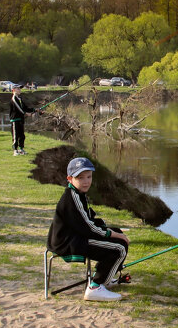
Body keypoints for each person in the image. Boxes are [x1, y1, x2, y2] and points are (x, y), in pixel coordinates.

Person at [47, 156, 130, 302]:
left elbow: (88, 220)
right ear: (70, 178)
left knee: (118, 234)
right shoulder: (72, 198)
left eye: (89, 176)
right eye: (80, 177)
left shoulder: (78, 193)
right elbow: (89, 228)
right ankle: (95, 288)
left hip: (75, 236)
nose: (86, 181)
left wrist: (113, 231)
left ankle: (105, 277)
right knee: (119, 248)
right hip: (67, 242)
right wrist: (113, 234)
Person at [8, 86, 36, 155]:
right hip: (15, 120)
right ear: (13, 90)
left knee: (22, 135)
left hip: (20, 119)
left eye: (20, 89)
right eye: (18, 89)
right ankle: (15, 150)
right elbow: (19, 109)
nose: (19, 90)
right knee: (15, 135)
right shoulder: (14, 98)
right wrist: (26, 113)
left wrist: (34, 110)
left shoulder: (20, 99)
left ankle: (21, 149)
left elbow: (25, 108)